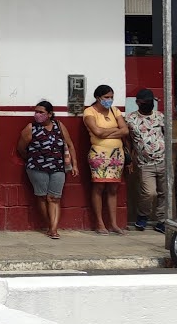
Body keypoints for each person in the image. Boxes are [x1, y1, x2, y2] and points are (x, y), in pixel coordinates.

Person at [18, 99, 77, 239]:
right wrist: (33, 158)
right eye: (36, 112)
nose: (37, 114)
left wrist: (74, 164)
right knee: (42, 197)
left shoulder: (59, 126)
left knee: (54, 198)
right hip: (37, 168)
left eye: (41, 112)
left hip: (58, 167)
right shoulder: (31, 128)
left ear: (50, 114)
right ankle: (50, 225)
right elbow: (21, 148)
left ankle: (54, 229)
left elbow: (70, 145)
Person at [80, 84, 129, 233]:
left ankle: (113, 224)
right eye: (106, 97)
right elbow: (97, 132)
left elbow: (125, 130)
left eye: (111, 97)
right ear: (98, 97)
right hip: (99, 154)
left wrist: (106, 132)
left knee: (113, 188)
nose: (109, 100)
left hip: (117, 155)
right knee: (99, 187)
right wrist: (115, 130)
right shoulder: (89, 112)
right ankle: (100, 223)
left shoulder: (115, 111)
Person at [126, 89, 168, 232]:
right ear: (138, 102)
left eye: (150, 101)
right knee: (149, 193)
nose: (148, 104)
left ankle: (162, 221)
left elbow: (166, 134)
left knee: (164, 193)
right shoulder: (130, 119)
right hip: (145, 163)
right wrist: (130, 158)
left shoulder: (160, 116)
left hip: (163, 160)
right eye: (145, 102)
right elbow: (127, 140)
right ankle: (142, 216)